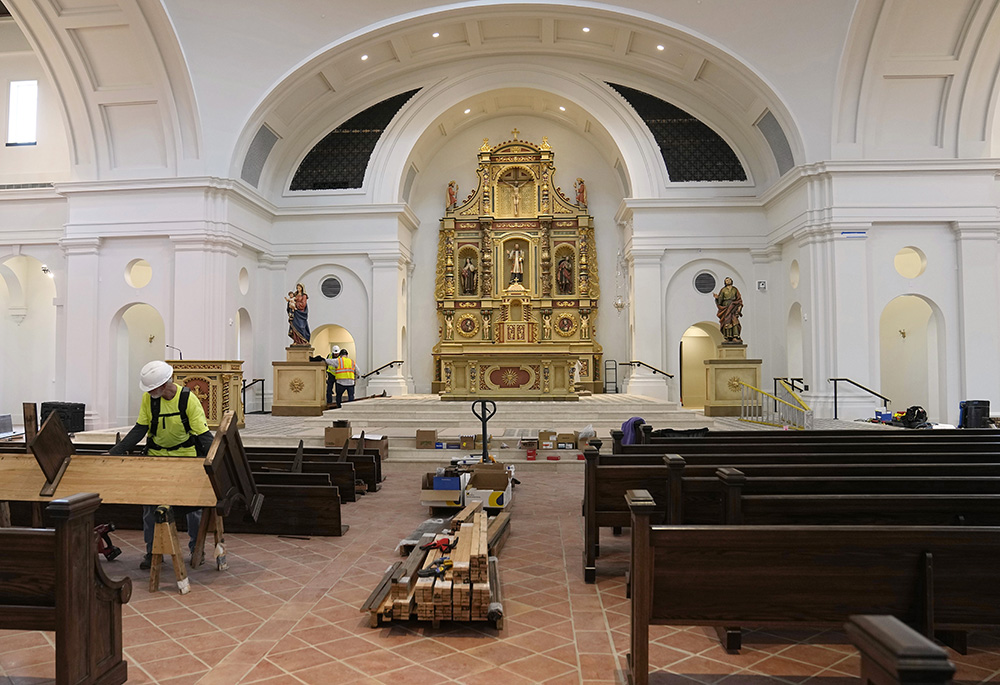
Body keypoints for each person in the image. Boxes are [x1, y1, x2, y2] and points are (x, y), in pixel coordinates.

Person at [109, 361, 213, 570]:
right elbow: (140, 429)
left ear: (166, 383)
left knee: (194, 508)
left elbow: (203, 436)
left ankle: (196, 548)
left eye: (153, 388)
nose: (150, 392)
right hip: (156, 457)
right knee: (150, 507)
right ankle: (152, 551)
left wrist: (215, 459)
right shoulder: (149, 399)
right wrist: (115, 452)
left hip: (185, 457)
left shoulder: (188, 400)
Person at [714, 277, 744, 343]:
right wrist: (717, 298)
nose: (728, 281)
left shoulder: (735, 289)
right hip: (726, 307)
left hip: (733, 306)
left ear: (731, 281)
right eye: (726, 280)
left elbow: (739, 299)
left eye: (729, 280)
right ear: (725, 282)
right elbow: (720, 301)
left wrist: (739, 307)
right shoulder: (723, 290)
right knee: (727, 322)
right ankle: (728, 337)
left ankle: (735, 337)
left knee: (734, 321)